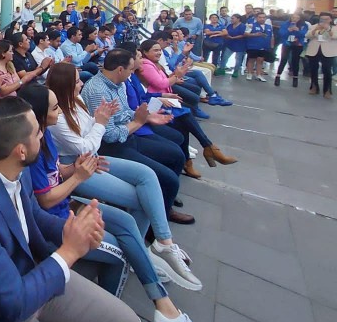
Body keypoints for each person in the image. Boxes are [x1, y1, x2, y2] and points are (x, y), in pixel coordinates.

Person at [0, 97, 142, 322]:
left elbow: (33, 214)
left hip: (34, 272)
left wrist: (70, 231)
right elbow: (15, 303)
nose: (43, 135)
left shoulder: (12, 165)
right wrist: (69, 251)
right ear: (21, 151)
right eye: (37, 132)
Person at [19, 84, 200, 322]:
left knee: (126, 221)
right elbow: (45, 200)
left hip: (66, 206)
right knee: (122, 253)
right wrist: (78, 177)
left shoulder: (45, 134)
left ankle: (163, 304)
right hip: (58, 221)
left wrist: (75, 168)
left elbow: (57, 171)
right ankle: (112, 315)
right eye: (54, 108)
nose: (59, 111)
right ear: (39, 115)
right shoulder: (31, 148)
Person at [45, 62, 202, 291]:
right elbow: (85, 145)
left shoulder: (75, 101)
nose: (81, 83)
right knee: (141, 199)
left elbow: (91, 133)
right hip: (80, 166)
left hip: (93, 157)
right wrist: (101, 123)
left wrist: (101, 121)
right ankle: (139, 253)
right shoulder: (58, 117)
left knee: (147, 176)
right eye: (77, 81)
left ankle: (163, 242)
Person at [80, 50, 194, 224]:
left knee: (176, 155)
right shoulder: (97, 90)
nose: (132, 73)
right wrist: (139, 122)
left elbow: (125, 112)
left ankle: (165, 201)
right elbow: (109, 135)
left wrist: (144, 116)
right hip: (112, 147)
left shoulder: (118, 84)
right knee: (169, 179)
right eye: (130, 69)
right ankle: (158, 220)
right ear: (120, 69)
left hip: (128, 136)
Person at [135, 42, 237, 175]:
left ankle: (192, 159)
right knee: (186, 112)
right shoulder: (146, 65)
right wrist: (176, 76)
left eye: (159, 50)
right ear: (145, 52)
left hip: (162, 98)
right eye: (155, 50)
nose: (159, 52)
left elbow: (163, 80)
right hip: (154, 104)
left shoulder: (154, 64)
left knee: (184, 120)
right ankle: (208, 148)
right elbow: (159, 84)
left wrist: (177, 74)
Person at [305, 12, 336, 98]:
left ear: (330, 19)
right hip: (314, 50)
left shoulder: (334, 27)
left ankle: (327, 90)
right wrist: (315, 30)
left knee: (327, 70)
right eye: (322, 19)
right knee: (313, 69)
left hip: (328, 51)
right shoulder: (314, 26)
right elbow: (307, 35)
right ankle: (314, 87)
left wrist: (328, 29)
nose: (324, 21)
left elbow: (334, 36)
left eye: (326, 19)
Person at [275, 12, 307, 87]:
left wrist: (297, 31)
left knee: (295, 61)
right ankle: (278, 76)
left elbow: (304, 34)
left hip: (298, 44)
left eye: (297, 18)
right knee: (284, 59)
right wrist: (288, 30)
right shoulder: (285, 24)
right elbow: (281, 34)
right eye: (293, 17)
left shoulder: (303, 25)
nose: (295, 19)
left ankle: (295, 78)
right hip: (287, 43)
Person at [244, 11, 274, 82]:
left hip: (264, 46)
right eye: (260, 17)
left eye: (263, 17)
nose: (262, 19)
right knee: (251, 60)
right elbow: (245, 34)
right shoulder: (251, 25)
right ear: (256, 18)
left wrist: (272, 46)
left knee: (260, 60)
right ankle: (249, 73)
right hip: (253, 46)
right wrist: (255, 34)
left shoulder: (269, 26)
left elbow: (272, 36)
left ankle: (259, 74)